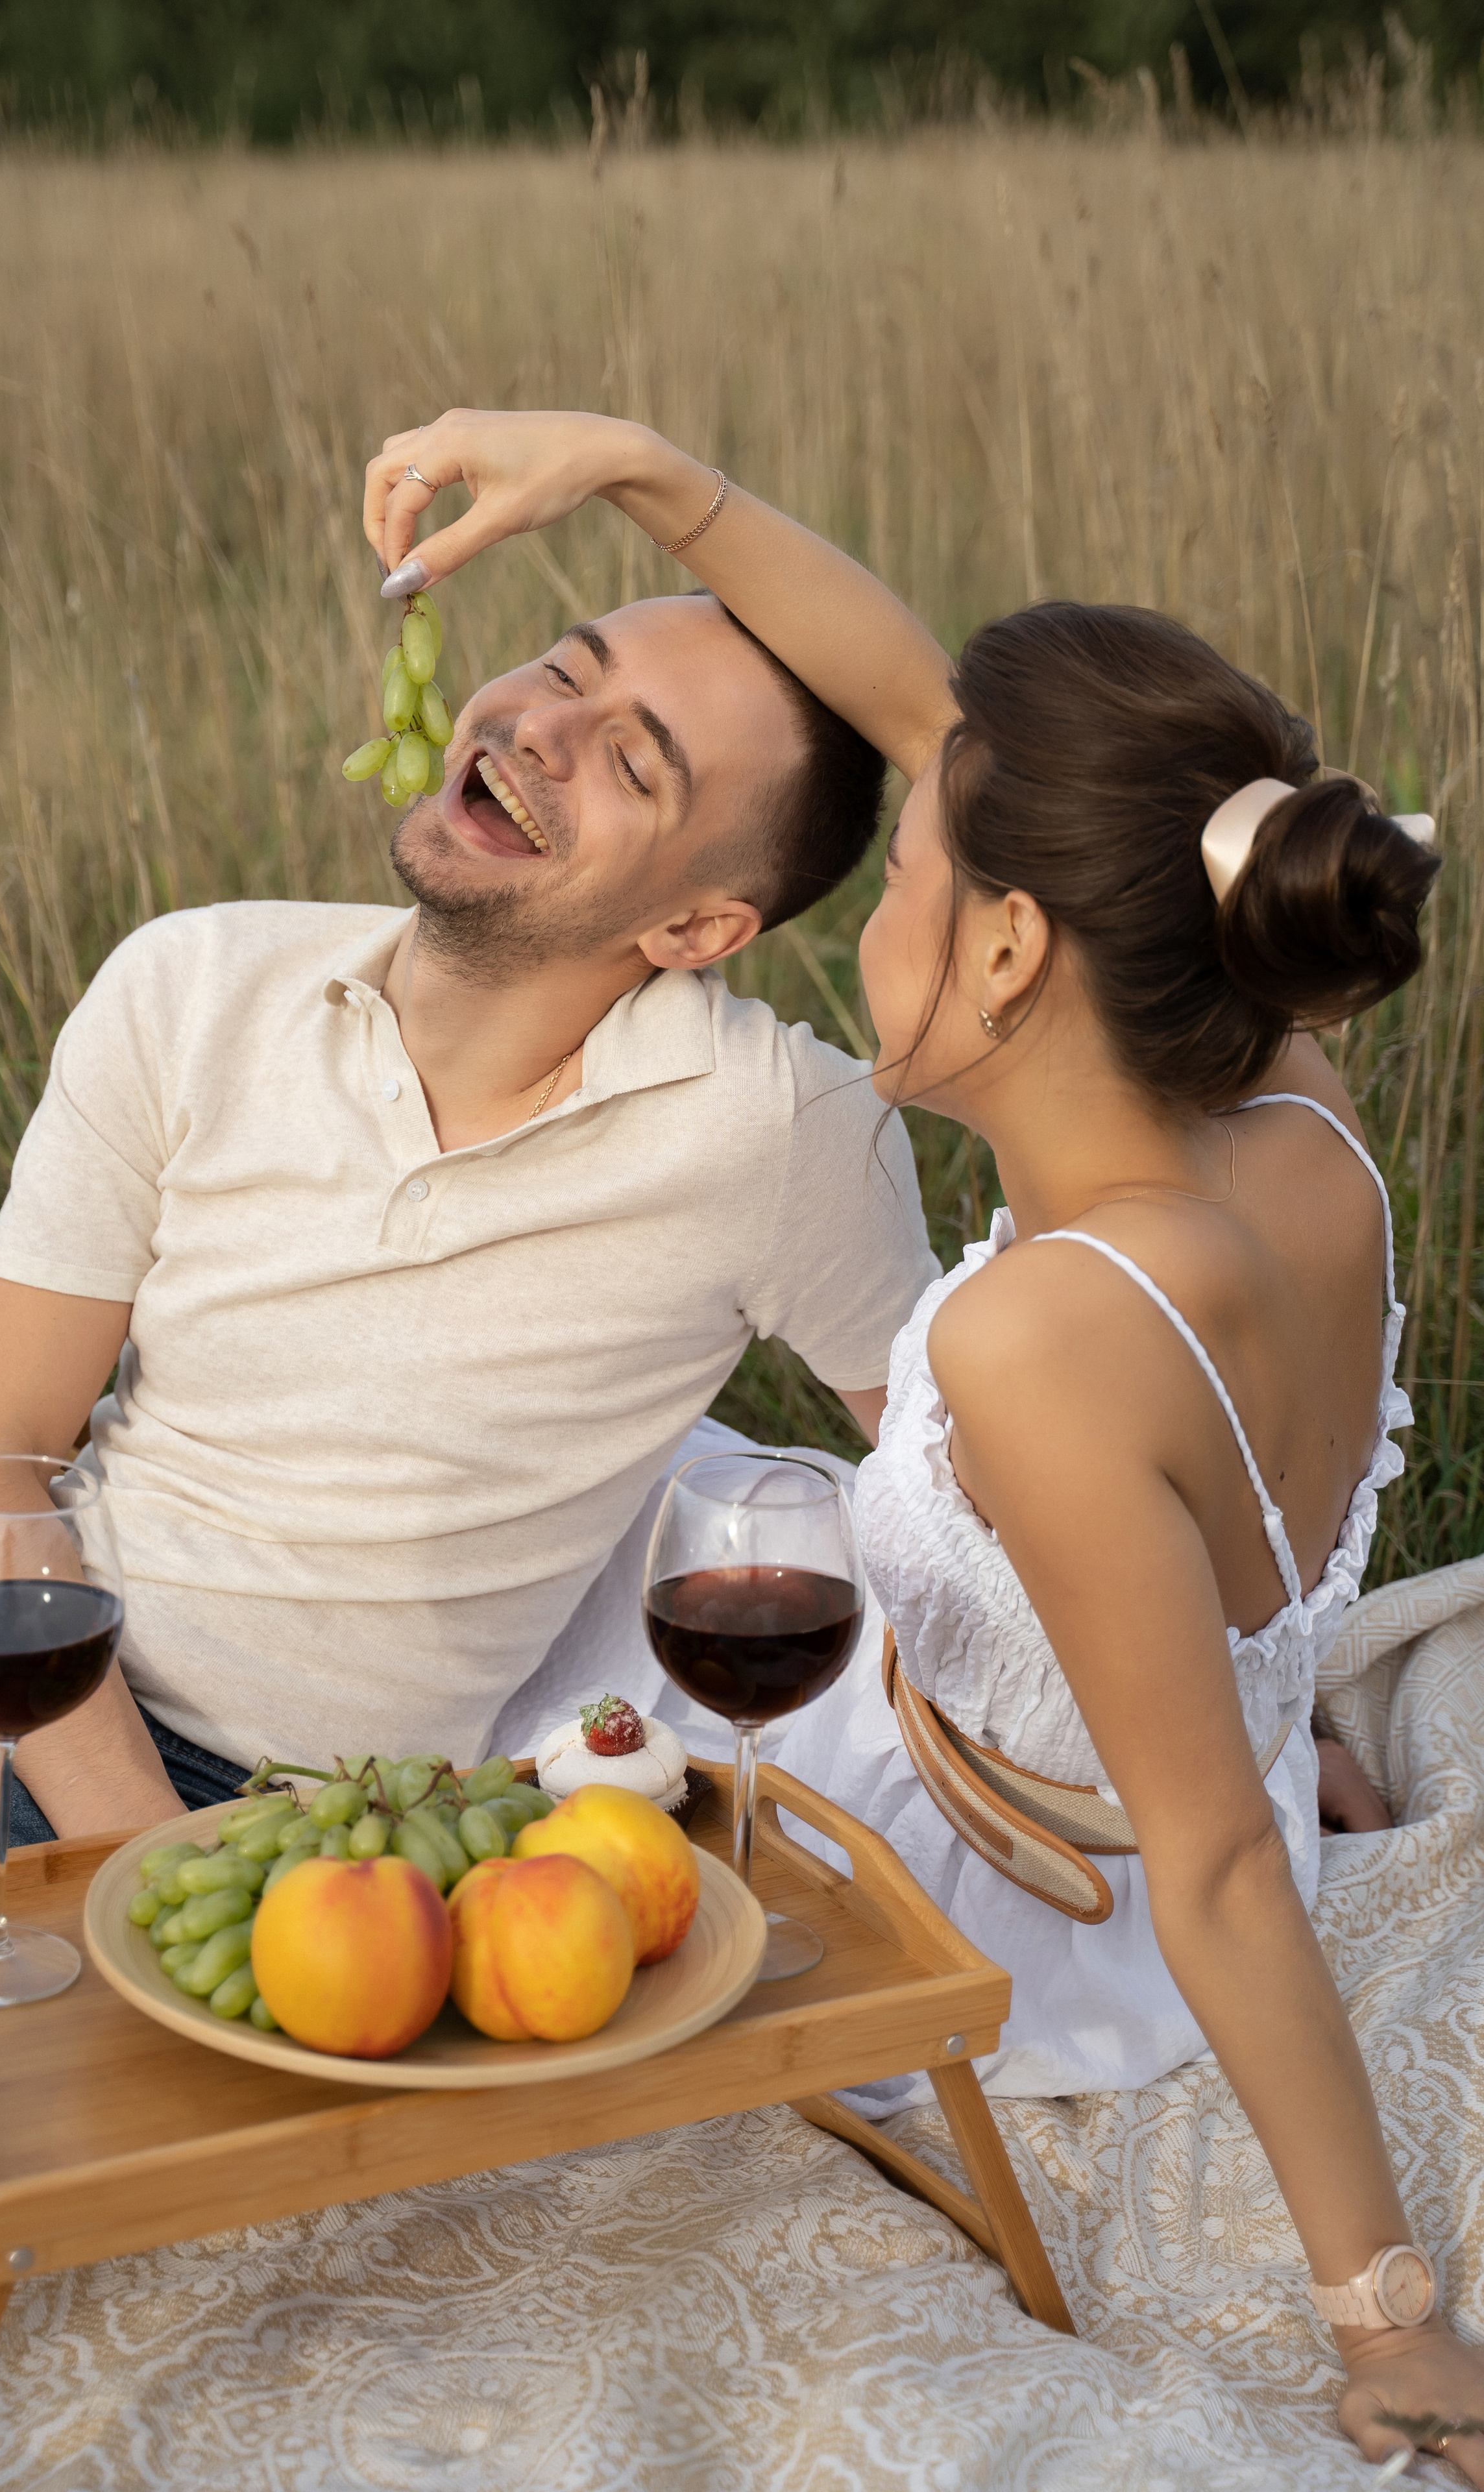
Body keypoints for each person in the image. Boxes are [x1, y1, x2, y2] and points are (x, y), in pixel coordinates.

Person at [361, 408, 1483, 2476]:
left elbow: (1226, 1869)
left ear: (1011, 946)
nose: (863, 924)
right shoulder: (1284, 1093)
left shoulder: (1049, 1338)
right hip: (1162, 1736)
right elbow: (916, 699)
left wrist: (1391, 2322)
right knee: (617, 1479)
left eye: (901, 882)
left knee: (471, 1657)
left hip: (1022, 1887)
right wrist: (633, 469)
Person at [0, 558, 936, 1881]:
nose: (541, 727)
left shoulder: (785, 1129)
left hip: (218, 1793)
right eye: (562, 669)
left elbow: (967, 1496)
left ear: (696, 927)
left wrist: (158, 1873)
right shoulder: (195, 982)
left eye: (632, 764)